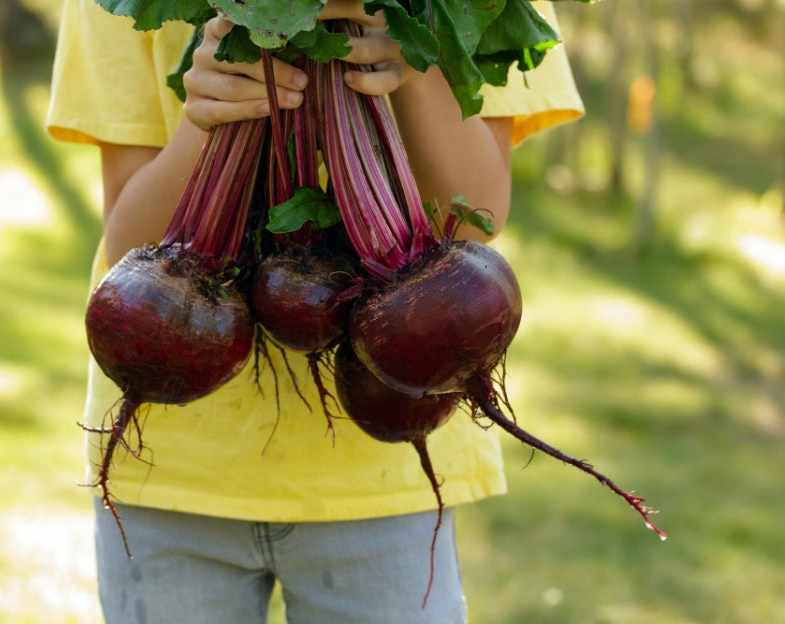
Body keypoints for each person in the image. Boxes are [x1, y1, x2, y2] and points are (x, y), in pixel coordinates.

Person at [47, 1, 584, 622]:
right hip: (172, 475)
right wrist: (209, 110)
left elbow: (471, 216)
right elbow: (129, 245)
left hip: (384, 462)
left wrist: (415, 63)